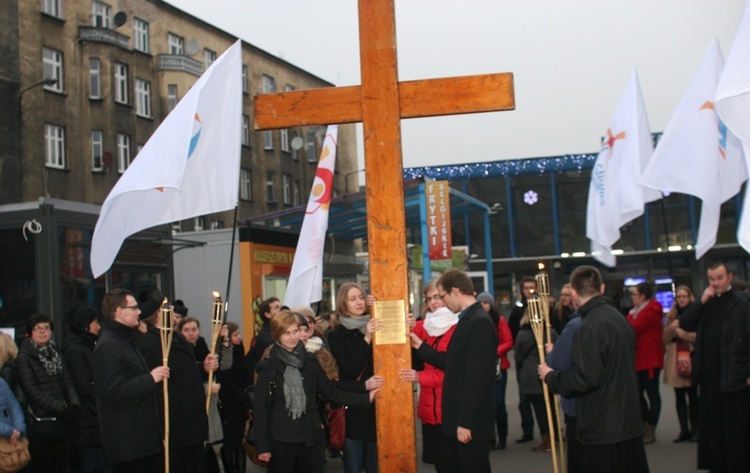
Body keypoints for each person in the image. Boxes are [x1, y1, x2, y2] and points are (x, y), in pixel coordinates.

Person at [539, 265, 649, 473]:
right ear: (602, 288)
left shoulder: (587, 327)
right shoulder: (619, 318)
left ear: (573, 293)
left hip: (602, 426)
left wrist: (551, 377)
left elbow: (585, 379)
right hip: (628, 421)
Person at [254, 310, 380, 473]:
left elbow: (331, 392)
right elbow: (260, 409)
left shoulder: (310, 361)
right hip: (281, 440)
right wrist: (263, 447)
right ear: (277, 335)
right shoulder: (269, 366)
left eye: (295, 331)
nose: (292, 337)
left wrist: (365, 398)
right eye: (287, 333)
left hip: (310, 437)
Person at [409, 269, 498, 473]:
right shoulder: (468, 319)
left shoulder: (478, 322)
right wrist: (421, 347)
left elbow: (478, 379)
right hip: (459, 419)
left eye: (443, 296)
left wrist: (466, 422)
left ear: (455, 291)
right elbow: (454, 363)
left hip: (469, 424)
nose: (442, 302)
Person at [679, 262, 750, 472]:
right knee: (713, 427)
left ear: (729, 277)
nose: (716, 283)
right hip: (709, 378)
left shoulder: (742, 302)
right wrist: (700, 302)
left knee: (735, 427)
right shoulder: (706, 303)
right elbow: (685, 324)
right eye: (711, 279)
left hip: (735, 375)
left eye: (719, 278)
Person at [136, 289, 217, 473]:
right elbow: (155, 391)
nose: (173, 311)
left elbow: (185, 374)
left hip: (193, 425)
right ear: (160, 314)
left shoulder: (177, 337)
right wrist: (160, 430)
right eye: (169, 308)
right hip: (175, 428)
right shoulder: (149, 344)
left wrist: (203, 368)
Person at [92, 289, 169, 473]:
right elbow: (111, 391)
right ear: (119, 312)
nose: (139, 312)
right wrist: (150, 378)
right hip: (129, 446)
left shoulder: (125, 341)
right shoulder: (109, 346)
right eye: (133, 308)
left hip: (143, 442)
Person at [400, 280, 458, 473]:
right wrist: (404, 323)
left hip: (450, 407)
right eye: (429, 299)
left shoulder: (458, 325)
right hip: (428, 408)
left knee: (455, 463)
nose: (434, 302)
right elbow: (403, 336)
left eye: (437, 297)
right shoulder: (425, 325)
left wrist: (419, 377)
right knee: (440, 464)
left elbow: (453, 371)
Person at [327, 282, 381, 473]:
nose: (358, 302)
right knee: (354, 466)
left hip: (377, 405)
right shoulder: (336, 335)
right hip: (353, 407)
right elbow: (350, 368)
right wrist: (367, 338)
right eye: (352, 299)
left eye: (360, 297)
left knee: (375, 465)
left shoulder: (375, 322)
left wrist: (379, 306)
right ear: (343, 304)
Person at [16, 313, 80, 473]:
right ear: (30, 333)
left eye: (46, 328)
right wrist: (62, 408)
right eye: (37, 328)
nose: (42, 332)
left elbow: (67, 381)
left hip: (62, 422)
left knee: (63, 467)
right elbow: (32, 391)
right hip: (41, 423)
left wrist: (73, 405)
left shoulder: (56, 352)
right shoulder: (25, 357)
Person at [178, 316, 227, 473]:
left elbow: (218, 367)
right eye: (187, 330)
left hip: (209, 403)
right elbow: (185, 381)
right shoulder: (179, 350)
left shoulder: (201, 345)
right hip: (194, 406)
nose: (191, 334)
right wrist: (206, 389)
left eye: (194, 330)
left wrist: (223, 343)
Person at [62, 306, 106, 472]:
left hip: (92, 424)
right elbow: (85, 386)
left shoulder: (86, 346)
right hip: (86, 422)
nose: (99, 327)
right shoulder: (76, 350)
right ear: (86, 325)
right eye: (96, 322)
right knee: (91, 465)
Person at [626, 282, 664, 444]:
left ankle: (651, 426)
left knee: (652, 393)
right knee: (636, 393)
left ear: (643, 296)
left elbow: (634, 327)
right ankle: (645, 421)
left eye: (635, 294)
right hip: (638, 359)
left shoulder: (653, 309)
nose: (632, 297)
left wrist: (629, 320)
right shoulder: (634, 312)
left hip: (650, 359)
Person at [514, 311, 557, 452]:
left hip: (530, 374)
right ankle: (554, 434)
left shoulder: (522, 335)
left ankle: (546, 437)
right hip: (549, 371)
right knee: (550, 405)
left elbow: (518, 357)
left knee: (539, 408)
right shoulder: (550, 332)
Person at [476, 291, 513, 450]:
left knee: (499, 402)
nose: (483, 305)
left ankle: (503, 436)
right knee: (486, 404)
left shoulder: (500, 321)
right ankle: (490, 437)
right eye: (481, 302)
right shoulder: (475, 321)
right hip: (482, 369)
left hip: (499, 368)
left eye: (486, 302)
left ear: (491, 304)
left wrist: (494, 351)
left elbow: (508, 341)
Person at [662, 285, 698, 443]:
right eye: (679, 297)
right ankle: (684, 429)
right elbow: (665, 339)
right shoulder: (672, 315)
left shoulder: (696, 313)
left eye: (685, 296)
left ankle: (696, 429)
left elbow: (701, 336)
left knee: (692, 395)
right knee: (679, 396)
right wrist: (671, 328)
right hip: (675, 355)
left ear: (690, 298)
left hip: (691, 354)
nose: (682, 299)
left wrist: (685, 334)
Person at [216, 322, 251, 473]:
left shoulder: (239, 351)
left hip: (240, 403)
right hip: (231, 404)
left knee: (239, 441)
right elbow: (228, 381)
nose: (239, 337)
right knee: (231, 441)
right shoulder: (224, 355)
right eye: (236, 334)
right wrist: (243, 401)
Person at [508, 276, 537, 443]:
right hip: (524, 359)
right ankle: (528, 431)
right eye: (526, 288)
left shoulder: (544, 306)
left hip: (541, 358)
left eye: (532, 287)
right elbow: (512, 332)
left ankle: (550, 432)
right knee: (524, 398)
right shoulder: (518, 309)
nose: (529, 291)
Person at [246, 297, 282, 376]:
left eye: (280, 307)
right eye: (276, 308)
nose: (281, 310)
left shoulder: (278, 331)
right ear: (267, 314)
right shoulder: (264, 337)